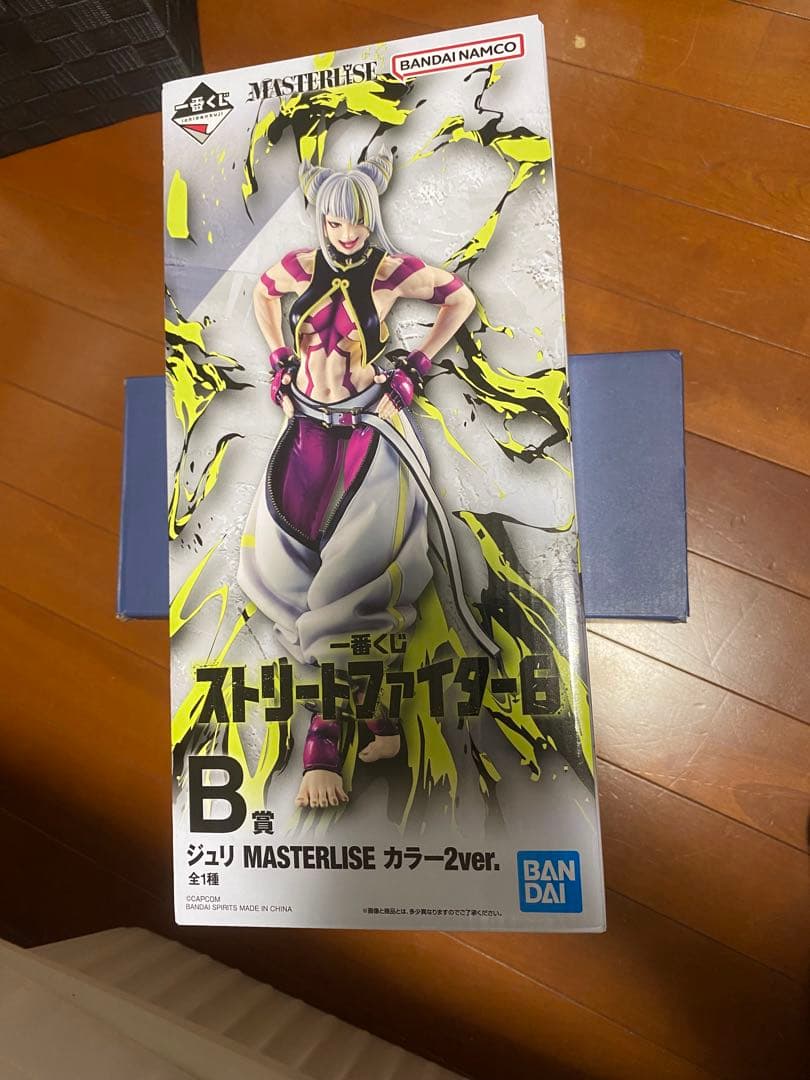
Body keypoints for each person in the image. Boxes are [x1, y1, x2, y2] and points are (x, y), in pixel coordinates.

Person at [237, 144, 494, 811]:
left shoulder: (389, 271)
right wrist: (278, 362)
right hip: (305, 434)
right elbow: (264, 291)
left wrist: (414, 369)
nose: (347, 233)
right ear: (322, 220)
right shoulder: (302, 266)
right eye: (335, 222)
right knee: (290, 583)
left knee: (350, 593)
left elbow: (460, 297)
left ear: (370, 216)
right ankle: (382, 725)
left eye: (356, 221)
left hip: (367, 439)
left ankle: (323, 747)